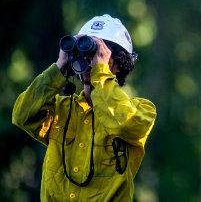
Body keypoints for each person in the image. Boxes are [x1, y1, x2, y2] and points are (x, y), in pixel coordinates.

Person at [12, 14, 156, 201]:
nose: (90, 61)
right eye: (85, 54)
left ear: (119, 63)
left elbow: (123, 123)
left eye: (98, 54)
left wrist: (101, 72)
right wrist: (60, 67)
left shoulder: (142, 110)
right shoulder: (61, 110)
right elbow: (22, 115)